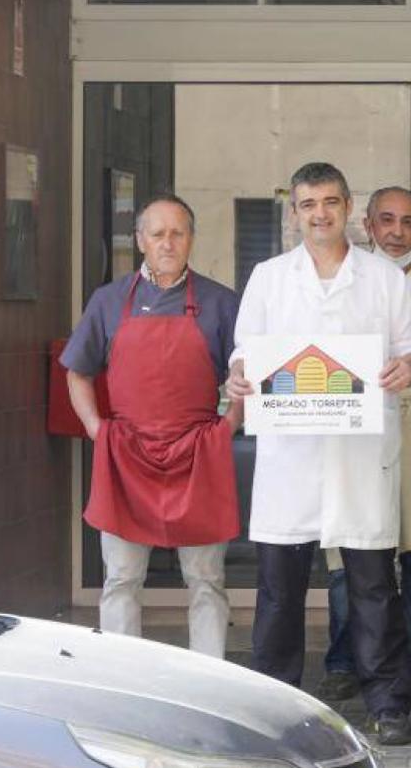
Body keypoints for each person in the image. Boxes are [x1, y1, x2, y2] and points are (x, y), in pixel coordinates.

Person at [226, 162, 411, 746]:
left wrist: (405, 366)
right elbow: (245, 353)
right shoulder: (268, 276)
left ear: (347, 207)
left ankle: (388, 704)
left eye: (331, 202)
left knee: (372, 585)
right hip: (291, 453)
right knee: (279, 588)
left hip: (360, 452)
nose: (320, 213)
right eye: (308, 203)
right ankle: (273, 707)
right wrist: (239, 377)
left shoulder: (383, 277)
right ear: (294, 211)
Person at [62, 193, 241, 659]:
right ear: (140, 240)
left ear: (191, 240)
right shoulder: (108, 301)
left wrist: (228, 427)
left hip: (197, 454)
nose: (168, 243)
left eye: (178, 233)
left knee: (206, 579)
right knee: (121, 577)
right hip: (126, 453)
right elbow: (77, 372)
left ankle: (210, 677)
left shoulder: (221, 302)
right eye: (157, 233)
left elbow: (248, 377)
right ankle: (123, 675)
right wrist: (96, 428)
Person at [316, 187, 411, 701]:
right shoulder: (347, 281)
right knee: (350, 555)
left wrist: (387, 349)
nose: (397, 231)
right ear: (368, 224)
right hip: (360, 433)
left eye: (408, 222)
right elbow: (333, 351)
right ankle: (344, 661)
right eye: (387, 220)